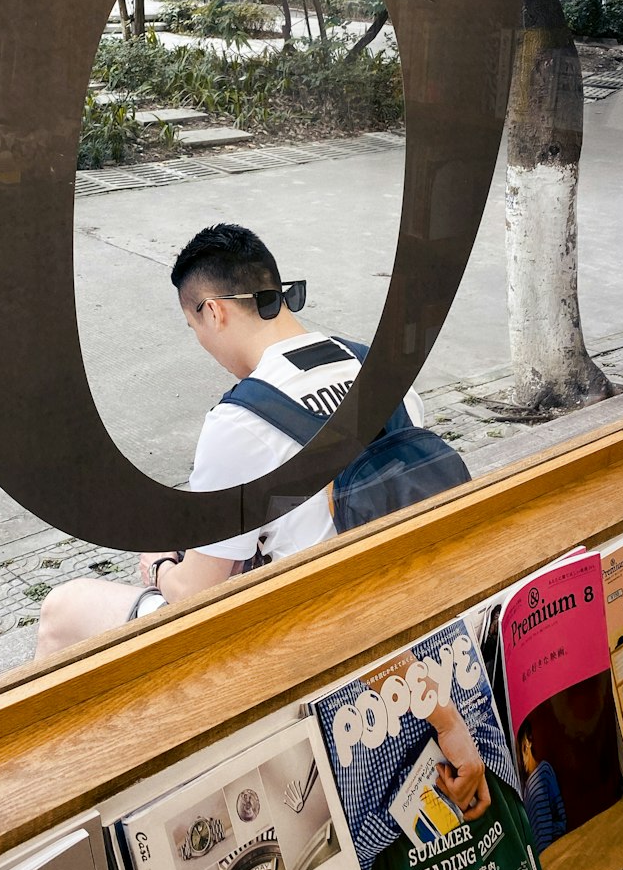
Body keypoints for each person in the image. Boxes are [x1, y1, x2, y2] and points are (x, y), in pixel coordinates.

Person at [34, 222, 423, 659]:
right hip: (408, 598)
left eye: (192, 326)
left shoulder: (241, 422)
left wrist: (159, 567)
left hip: (319, 635)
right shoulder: (382, 372)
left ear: (214, 312)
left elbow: (197, 595)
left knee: (61, 610)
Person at [518, 720, 567, 852]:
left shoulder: (544, 771)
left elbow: (560, 814)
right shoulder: (522, 789)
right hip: (538, 858)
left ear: (527, 742)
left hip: (554, 851)